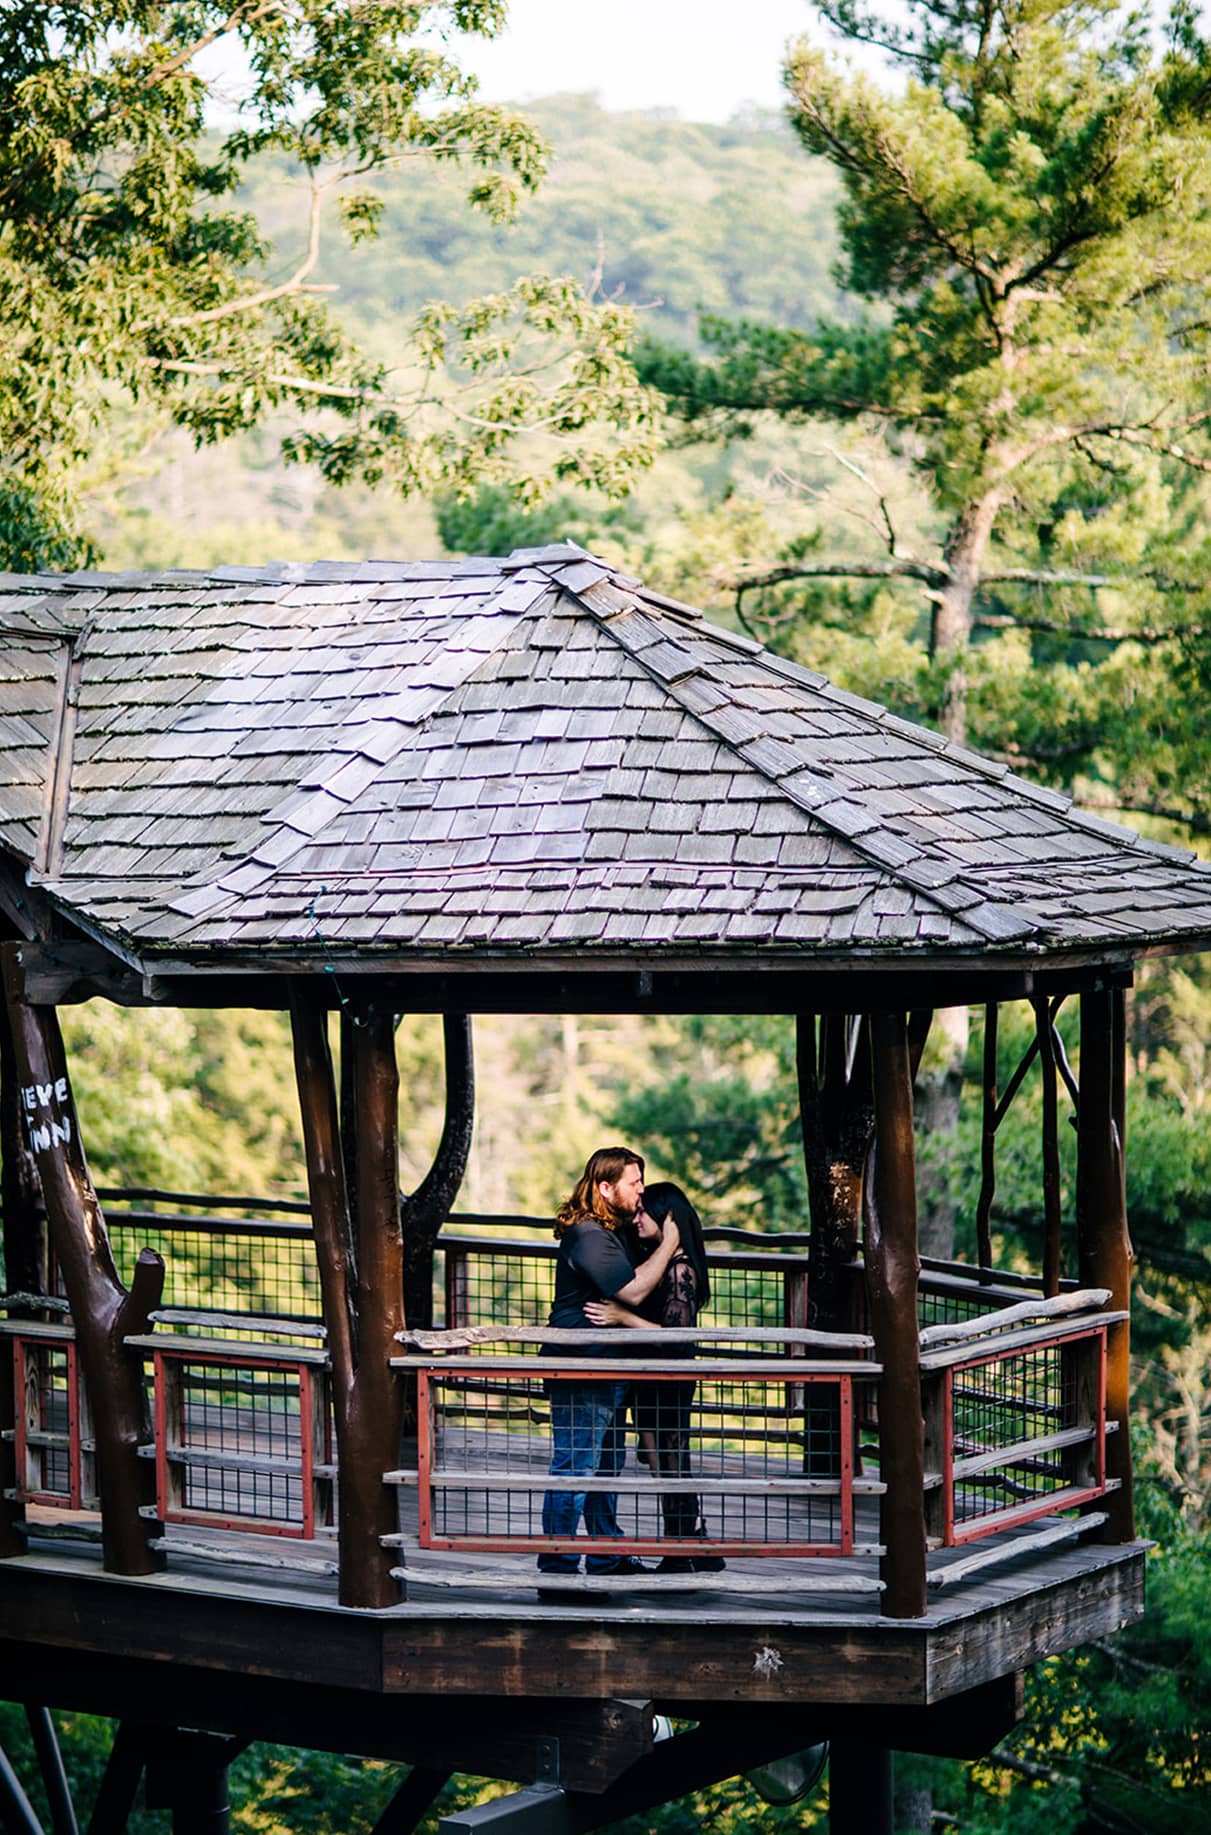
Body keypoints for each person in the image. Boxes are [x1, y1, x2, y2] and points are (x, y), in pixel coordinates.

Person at [536, 1145, 682, 1596]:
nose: (640, 1190)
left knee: (605, 1465)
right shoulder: (589, 1236)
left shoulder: (609, 1232)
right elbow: (634, 1291)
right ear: (605, 1187)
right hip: (584, 1367)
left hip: (605, 1365)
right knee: (576, 1465)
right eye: (633, 1182)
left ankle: (605, 1555)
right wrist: (673, 1244)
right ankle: (558, 1565)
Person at [585, 1180, 725, 1574]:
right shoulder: (664, 1262)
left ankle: (684, 1549)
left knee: (671, 1464)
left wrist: (623, 1317)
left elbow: (677, 1341)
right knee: (664, 1464)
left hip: (669, 1380)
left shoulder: (680, 1271)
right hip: (651, 1381)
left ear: (670, 1220)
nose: (637, 1216)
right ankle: (694, 1543)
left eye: (646, 1211)